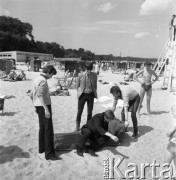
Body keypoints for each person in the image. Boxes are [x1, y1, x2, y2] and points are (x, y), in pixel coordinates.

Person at [31, 65, 60, 161]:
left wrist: (35, 105)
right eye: (51, 74)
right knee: (48, 130)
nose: (51, 77)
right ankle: (49, 154)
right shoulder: (43, 80)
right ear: (49, 72)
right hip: (44, 106)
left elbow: (32, 94)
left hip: (38, 106)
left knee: (42, 128)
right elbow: (39, 95)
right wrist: (46, 109)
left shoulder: (36, 79)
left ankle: (42, 148)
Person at [75, 62, 97, 132]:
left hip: (90, 95)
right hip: (82, 95)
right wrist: (79, 92)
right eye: (88, 69)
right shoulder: (80, 75)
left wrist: (93, 92)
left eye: (90, 69)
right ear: (85, 68)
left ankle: (88, 126)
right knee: (79, 111)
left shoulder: (94, 75)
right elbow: (77, 85)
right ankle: (77, 126)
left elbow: (95, 85)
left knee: (90, 112)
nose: (89, 70)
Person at [164, 105, 176, 171]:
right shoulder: (174, 121)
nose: (171, 113)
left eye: (173, 111)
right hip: (171, 145)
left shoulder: (174, 123)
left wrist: (173, 128)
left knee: (166, 166)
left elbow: (168, 134)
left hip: (172, 145)